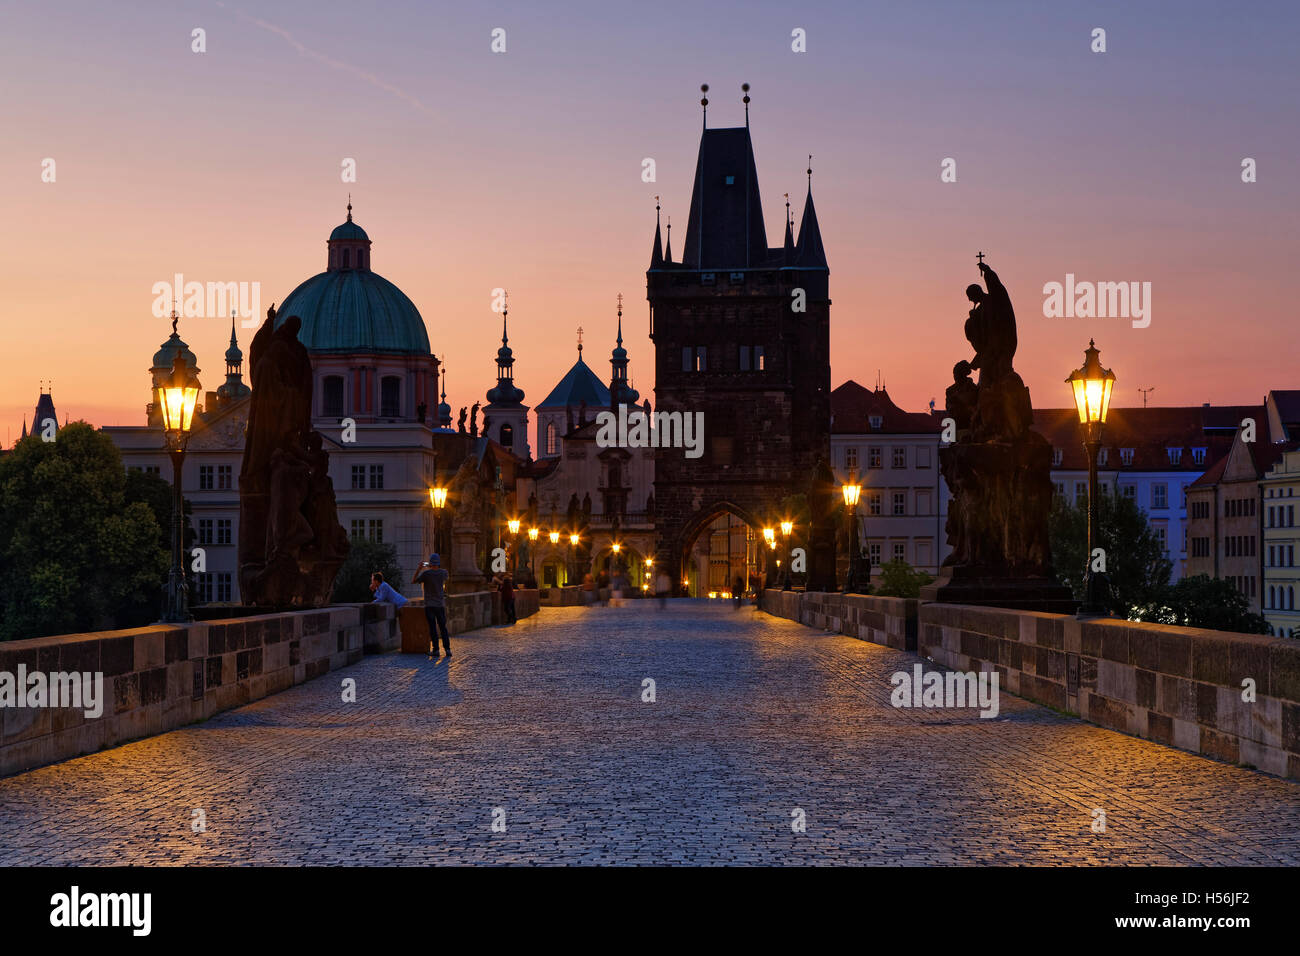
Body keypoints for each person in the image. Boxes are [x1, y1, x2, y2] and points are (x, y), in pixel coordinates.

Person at [412, 553, 451, 659]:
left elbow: (413, 581)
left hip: (429, 605)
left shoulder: (426, 574)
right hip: (440, 604)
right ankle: (447, 649)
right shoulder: (443, 572)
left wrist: (419, 568)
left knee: (433, 628)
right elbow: (446, 577)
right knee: (443, 627)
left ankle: (436, 650)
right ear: (438, 563)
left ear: (430, 563)